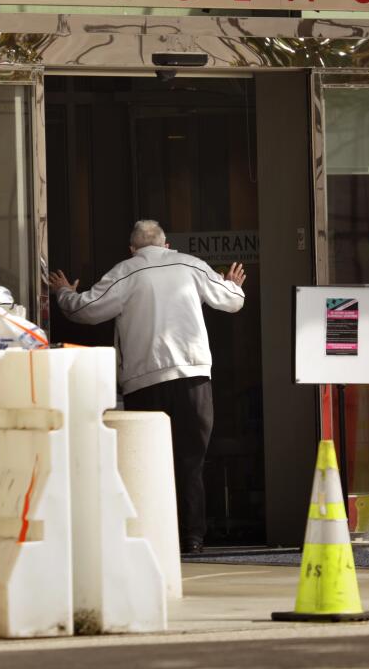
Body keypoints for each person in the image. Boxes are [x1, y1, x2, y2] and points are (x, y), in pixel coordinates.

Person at [49, 219, 246, 554]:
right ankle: (192, 538)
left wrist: (64, 292)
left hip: (145, 382)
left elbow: (86, 310)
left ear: (132, 248)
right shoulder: (191, 265)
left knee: (145, 460)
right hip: (192, 377)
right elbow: (232, 300)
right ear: (166, 244)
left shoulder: (126, 272)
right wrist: (232, 284)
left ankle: (151, 536)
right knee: (191, 460)